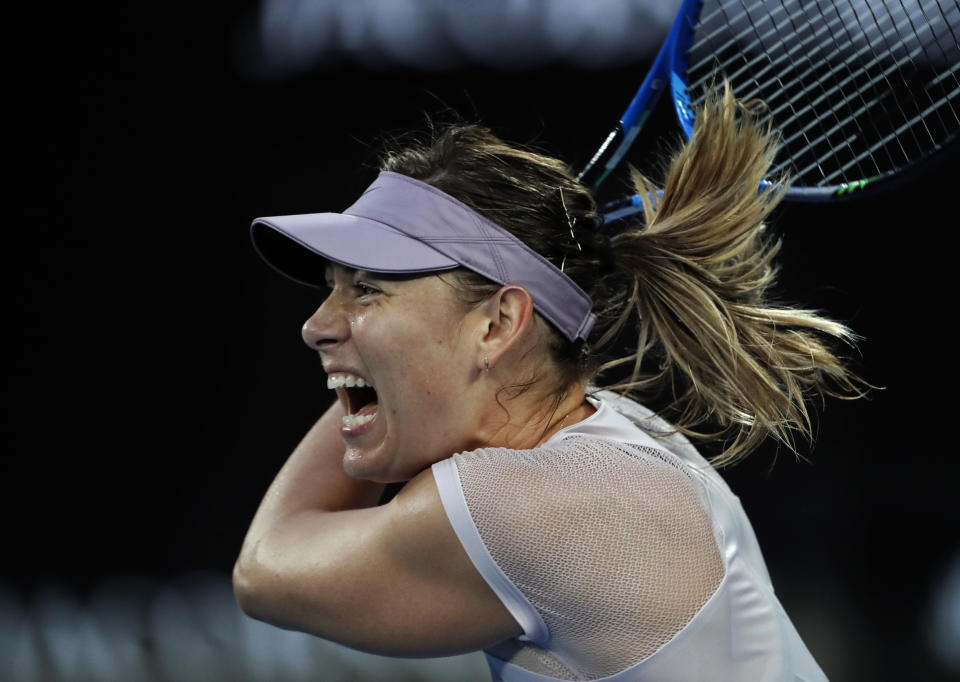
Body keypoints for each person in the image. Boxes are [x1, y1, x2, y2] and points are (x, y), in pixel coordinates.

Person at [234, 83, 862, 681]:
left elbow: (266, 568)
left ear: (499, 323)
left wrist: (365, 371)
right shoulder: (610, 440)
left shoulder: (527, 503)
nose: (316, 326)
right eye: (330, 290)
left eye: (367, 289)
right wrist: (365, 362)